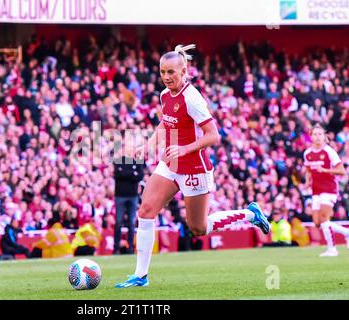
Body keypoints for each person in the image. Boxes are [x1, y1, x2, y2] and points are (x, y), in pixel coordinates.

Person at [115, 44, 270, 288]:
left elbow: (213, 135)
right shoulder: (165, 95)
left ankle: (250, 214)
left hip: (194, 168)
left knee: (199, 227)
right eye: (163, 72)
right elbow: (164, 125)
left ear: (183, 70)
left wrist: (186, 148)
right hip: (170, 163)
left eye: (171, 73)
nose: (166, 77)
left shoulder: (192, 98)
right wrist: (148, 146)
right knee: (145, 211)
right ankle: (140, 276)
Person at [304, 123, 349, 257]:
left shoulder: (329, 151)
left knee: (324, 218)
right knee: (317, 222)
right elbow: (308, 169)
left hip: (329, 189)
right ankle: (347, 233)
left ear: (324, 137)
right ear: (311, 137)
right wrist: (307, 182)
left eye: (320, 134)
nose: (317, 137)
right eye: (315, 134)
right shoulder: (307, 153)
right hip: (316, 190)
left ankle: (332, 249)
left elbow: (341, 171)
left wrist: (326, 170)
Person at [113, 148, 144, 254]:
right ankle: (116, 248)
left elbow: (140, 176)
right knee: (118, 222)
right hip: (120, 195)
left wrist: (126, 174)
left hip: (132, 195)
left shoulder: (138, 161)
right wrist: (132, 173)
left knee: (131, 223)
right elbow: (117, 174)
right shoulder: (118, 160)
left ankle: (131, 248)